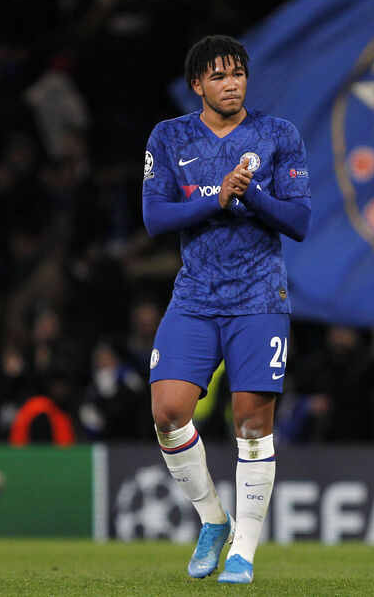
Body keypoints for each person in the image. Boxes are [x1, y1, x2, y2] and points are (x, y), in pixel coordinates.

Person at [141, 35, 311, 583]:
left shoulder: (278, 135)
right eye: (218, 76)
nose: (232, 82)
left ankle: (244, 549)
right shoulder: (169, 137)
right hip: (195, 295)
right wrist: (215, 198)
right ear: (198, 85)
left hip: (260, 296)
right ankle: (213, 519)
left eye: (237, 72)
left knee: (251, 424)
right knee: (168, 411)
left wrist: (251, 195)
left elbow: (300, 222)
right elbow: (155, 219)